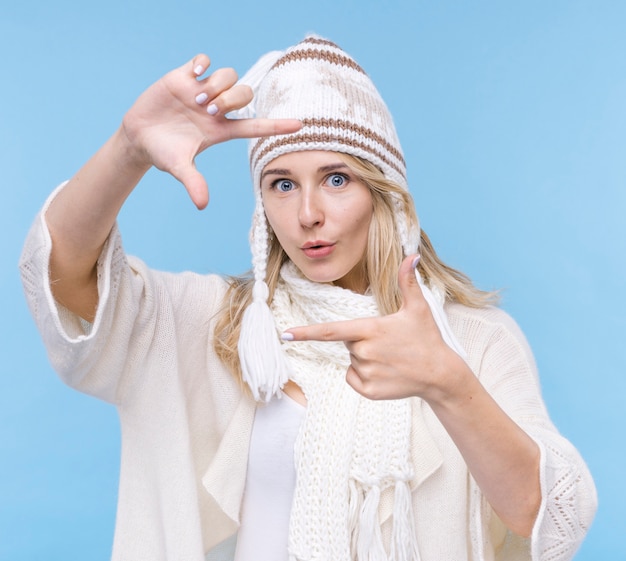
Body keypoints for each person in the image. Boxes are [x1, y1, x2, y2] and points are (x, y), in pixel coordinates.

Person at [20, 35, 596, 561]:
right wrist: (128, 149)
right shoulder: (226, 328)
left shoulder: (475, 340)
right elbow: (63, 275)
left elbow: (548, 518)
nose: (308, 214)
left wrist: (449, 384)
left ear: (386, 193)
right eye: (283, 184)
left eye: (337, 178)